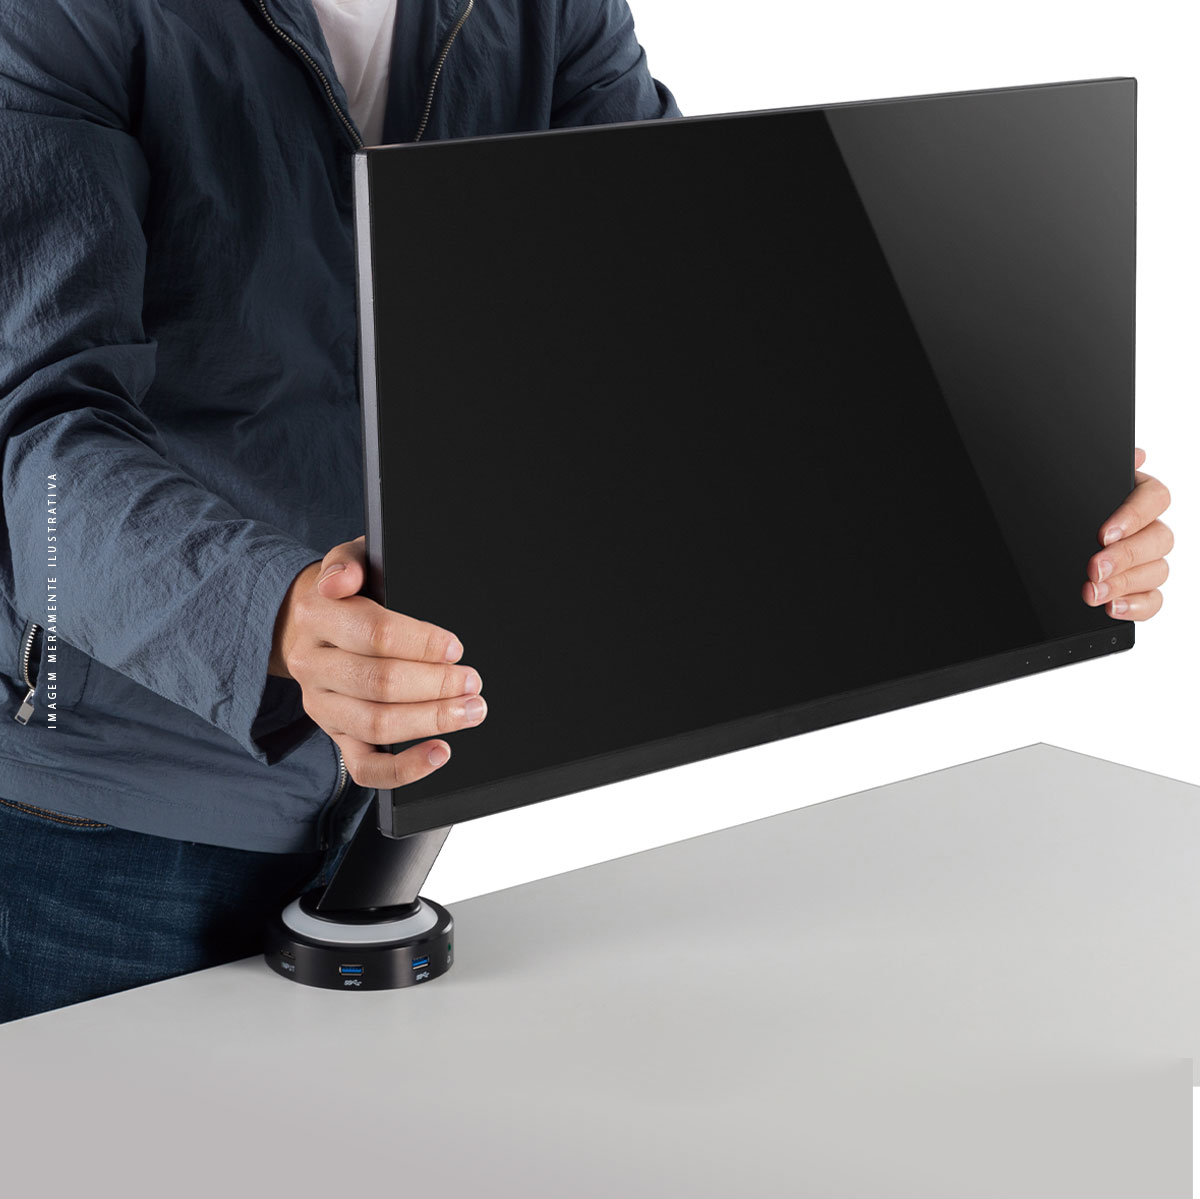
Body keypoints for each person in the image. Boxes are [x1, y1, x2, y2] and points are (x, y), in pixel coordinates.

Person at [0, 1, 1173, 1024]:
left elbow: (673, 309)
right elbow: (36, 431)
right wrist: (278, 617)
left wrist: (1018, 481)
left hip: (401, 791)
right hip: (98, 818)